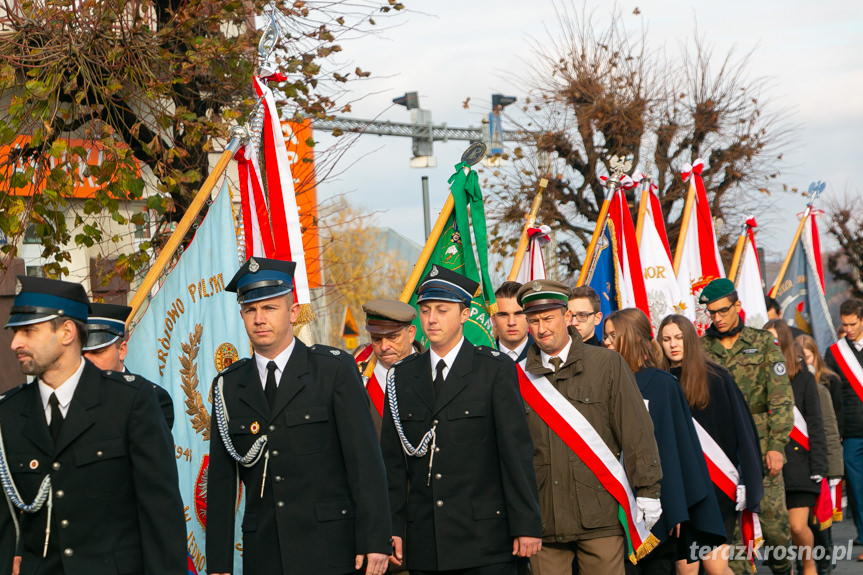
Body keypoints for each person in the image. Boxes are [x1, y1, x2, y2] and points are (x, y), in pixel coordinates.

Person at [206, 257, 391, 575]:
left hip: (331, 550)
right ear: (242, 315)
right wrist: (219, 564)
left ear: (292, 312)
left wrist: (376, 538)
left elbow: (365, 461)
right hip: (265, 554)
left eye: (270, 308)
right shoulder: (229, 385)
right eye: (251, 310)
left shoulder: (332, 370)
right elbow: (222, 483)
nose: (260, 319)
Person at [0, 276, 186, 574]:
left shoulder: (130, 402)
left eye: (28, 331)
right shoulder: (8, 413)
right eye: (15, 332)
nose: (15, 343)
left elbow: (161, 517)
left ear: (67, 332)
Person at [381, 264, 542, 575]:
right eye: (425, 310)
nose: (431, 319)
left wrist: (526, 523)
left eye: (442, 310)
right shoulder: (401, 375)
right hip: (427, 538)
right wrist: (393, 526)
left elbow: (515, 453)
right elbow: (392, 464)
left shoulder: (493, 370)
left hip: (485, 539)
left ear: (465, 314)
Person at [516, 280, 662, 575]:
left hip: (599, 513)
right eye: (534, 321)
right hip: (544, 518)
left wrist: (648, 489)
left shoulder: (607, 364)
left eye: (548, 318)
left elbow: (636, 432)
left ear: (567, 317)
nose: (542, 328)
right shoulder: (515, 377)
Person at [604, 309, 726, 575]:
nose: (607, 342)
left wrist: (676, 508)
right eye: (605, 336)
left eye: (613, 335)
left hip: (656, 507)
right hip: (615, 506)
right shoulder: (603, 381)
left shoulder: (662, 384)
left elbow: (674, 451)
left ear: (634, 339)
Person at [699, 278, 794, 575]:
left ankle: (783, 569)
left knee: (775, 529)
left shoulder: (762, 342)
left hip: (762, 448)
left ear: (737, 306)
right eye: (711, 313)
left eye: (723, 311)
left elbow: (780, 397)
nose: (717, 318)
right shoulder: (702, 349)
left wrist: (777, 446)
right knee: (736, 541)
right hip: (724, 452)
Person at [658, 314, 763, 575]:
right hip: (681, 493)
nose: (673, 345)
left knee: (716, 568)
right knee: (686, 569)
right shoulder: (658, 382)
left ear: (691, 341)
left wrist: (746, 481)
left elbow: (743, 432)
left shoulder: (717, 378)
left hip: (718, 490)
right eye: (666, 339)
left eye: (679, 338)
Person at [764, 320, 827, 575]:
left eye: (775, 340)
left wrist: (820, 466)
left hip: (801, 466)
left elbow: (815, 424)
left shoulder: (804, 378)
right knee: (777, 530)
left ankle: (809, 563)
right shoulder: (759, 378)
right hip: (771, 464)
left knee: (797, 527)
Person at [82, 302, 175, 428]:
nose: (88, 360)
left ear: (122, 351)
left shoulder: (151, 398)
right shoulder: (67, 397)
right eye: (81, 353)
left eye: (97, 352)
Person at [797, 334, 844, 575]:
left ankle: (824, 562)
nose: (805, 362)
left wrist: (835, 470)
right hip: (799, 464)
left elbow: (830, 429)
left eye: (808, 356)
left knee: (820, 522)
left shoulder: (824, 385)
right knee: (801, 523)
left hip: (821, 463)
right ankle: (804, 562)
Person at [823, 299, 863, 560]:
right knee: (857, 488)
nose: (848, 329)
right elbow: (832, 396)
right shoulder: (834, 353)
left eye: (853, 324)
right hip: (851, 431)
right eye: (844, 324)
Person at [355, 298, 422, 437]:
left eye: (392, 337)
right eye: (376, 339)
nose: (384, 347)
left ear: (410, 333)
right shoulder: (355, 373)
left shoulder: (434, 368)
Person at [493, 281, 533, 362]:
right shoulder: (481, 359)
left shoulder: (546, 354)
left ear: (530, 317)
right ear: (493, 320)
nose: (511, 322)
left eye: (518, 314)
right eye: (503, 315)